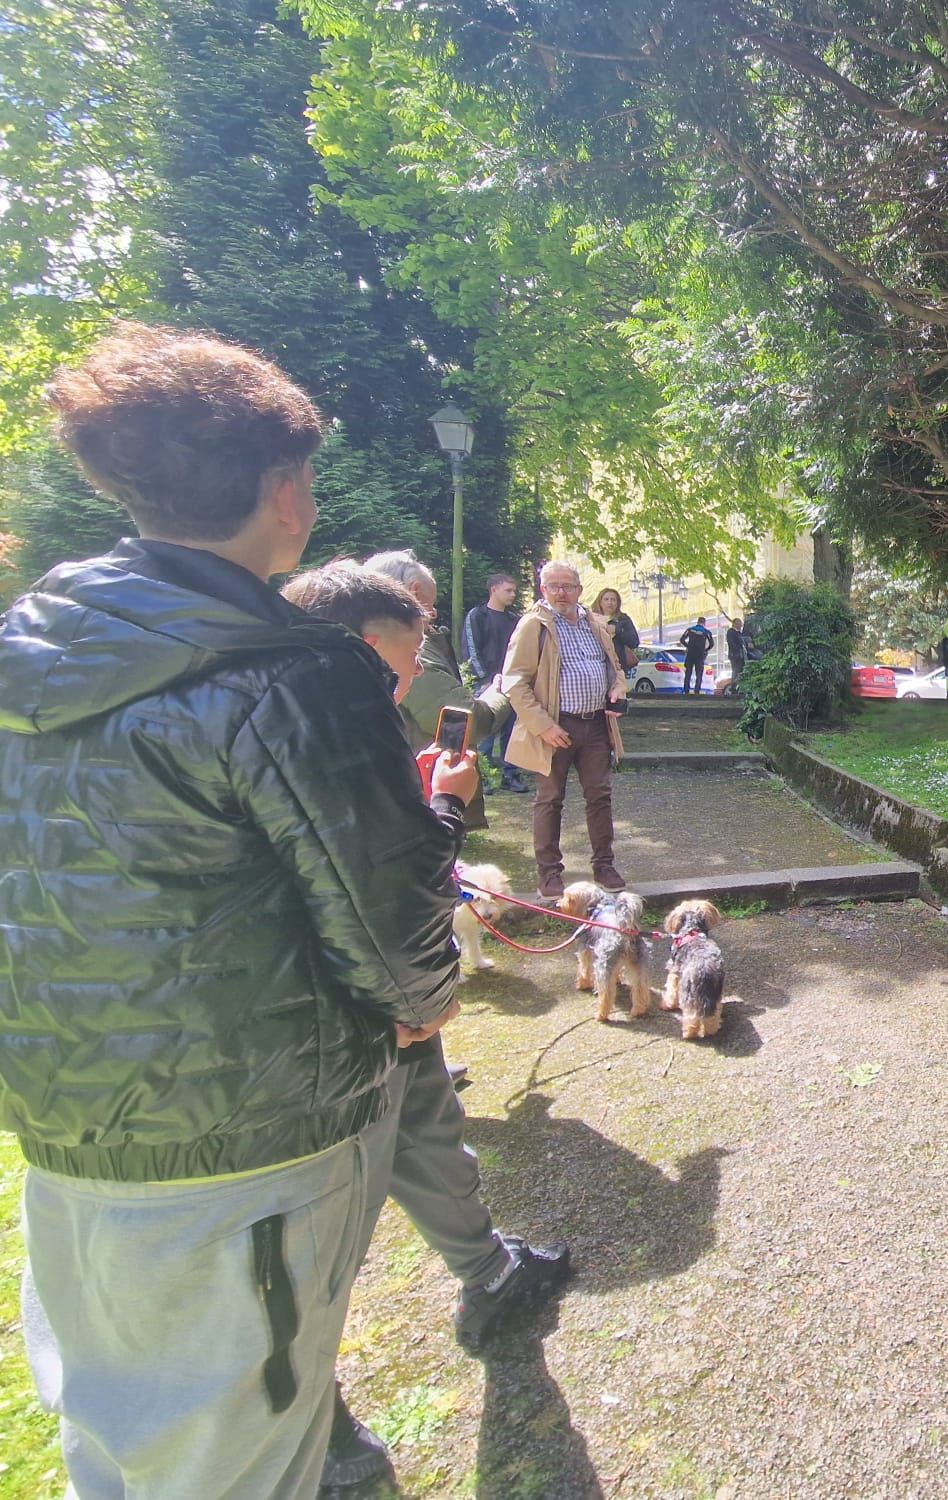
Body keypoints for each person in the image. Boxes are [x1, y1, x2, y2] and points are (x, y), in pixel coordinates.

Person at [0, 324, 465, 1500]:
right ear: (283, 491)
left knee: (116, 1439)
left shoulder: (26, 658)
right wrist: (421, 1004)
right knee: (233, 1461)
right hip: (247, 1137)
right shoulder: (290, 675)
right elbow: (389, 915)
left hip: (61, 1123)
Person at [280, 564, 574, 1489]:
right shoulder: (319, 719)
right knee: (310, 1232)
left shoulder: (326, 703)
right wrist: (445, 805)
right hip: (337, 1017)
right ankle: (306, 1435)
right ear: (369, 641)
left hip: (385, 1010)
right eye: (407, 658)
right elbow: (386, 875)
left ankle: (490, 1273)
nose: (411, 680)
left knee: (428, 1131)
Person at [502, 560, 628, 898]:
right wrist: (544, 727)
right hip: (556, 727)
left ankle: (604, 865)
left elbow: (614, 667)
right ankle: (549, 874)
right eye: (553, 586)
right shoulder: (534, 625)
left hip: (596, 725)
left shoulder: (594, 623)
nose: (561, 592)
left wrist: (617, 689)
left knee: (600, 797)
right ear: (543, 590)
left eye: (567, 586)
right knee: (550, 799)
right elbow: (515, 684)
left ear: (579, 590)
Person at [363, 550, 495, 828]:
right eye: (429, 605)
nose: (433, 614)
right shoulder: (398, 647)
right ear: (413, 591)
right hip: (413, 806)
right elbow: (461, 718)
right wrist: (500, 694)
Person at [464, 573, 530, 793]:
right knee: (485, 732)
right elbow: (472, 649)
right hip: (486, 684)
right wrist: (483, 679)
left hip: (512, 682)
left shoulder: (514, 620)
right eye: (508, 590)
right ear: (494, 590)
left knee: (511, 732)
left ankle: (510, 775)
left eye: (513, 590)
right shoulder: (477, 616)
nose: (512, 594)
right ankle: (481, 777)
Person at [595, 587, 642, 673]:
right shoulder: (592, 619)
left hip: (618, 666)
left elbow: (634, 642)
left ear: (617, 603)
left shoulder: (623, 619)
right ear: (600, 602)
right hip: (597, 665)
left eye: (613, 600)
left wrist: (617, 630)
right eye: (606, 599)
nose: (610, 602)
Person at [678, 615, 714, 695]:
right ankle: (697, 690)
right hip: (700, 654)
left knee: (688, 672)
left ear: (697, 622)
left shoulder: (690, 630)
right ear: (704, 623)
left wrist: (688, 646)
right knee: (699, 673)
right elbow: (712, 644)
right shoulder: (706, 632)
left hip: (690, 653)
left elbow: (682, 639)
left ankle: (686, 689)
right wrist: (705, 650)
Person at [724, 616, 747, 694]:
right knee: (736, 671)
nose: (741, 625)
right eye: (739, 623)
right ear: (735, 624)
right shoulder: (731, 632)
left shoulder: (739, 633)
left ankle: (739, 688)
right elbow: (731, 643)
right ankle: (734, 688)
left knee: (740, 671)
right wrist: (738, 648)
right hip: (735, 655)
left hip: (740, 655)